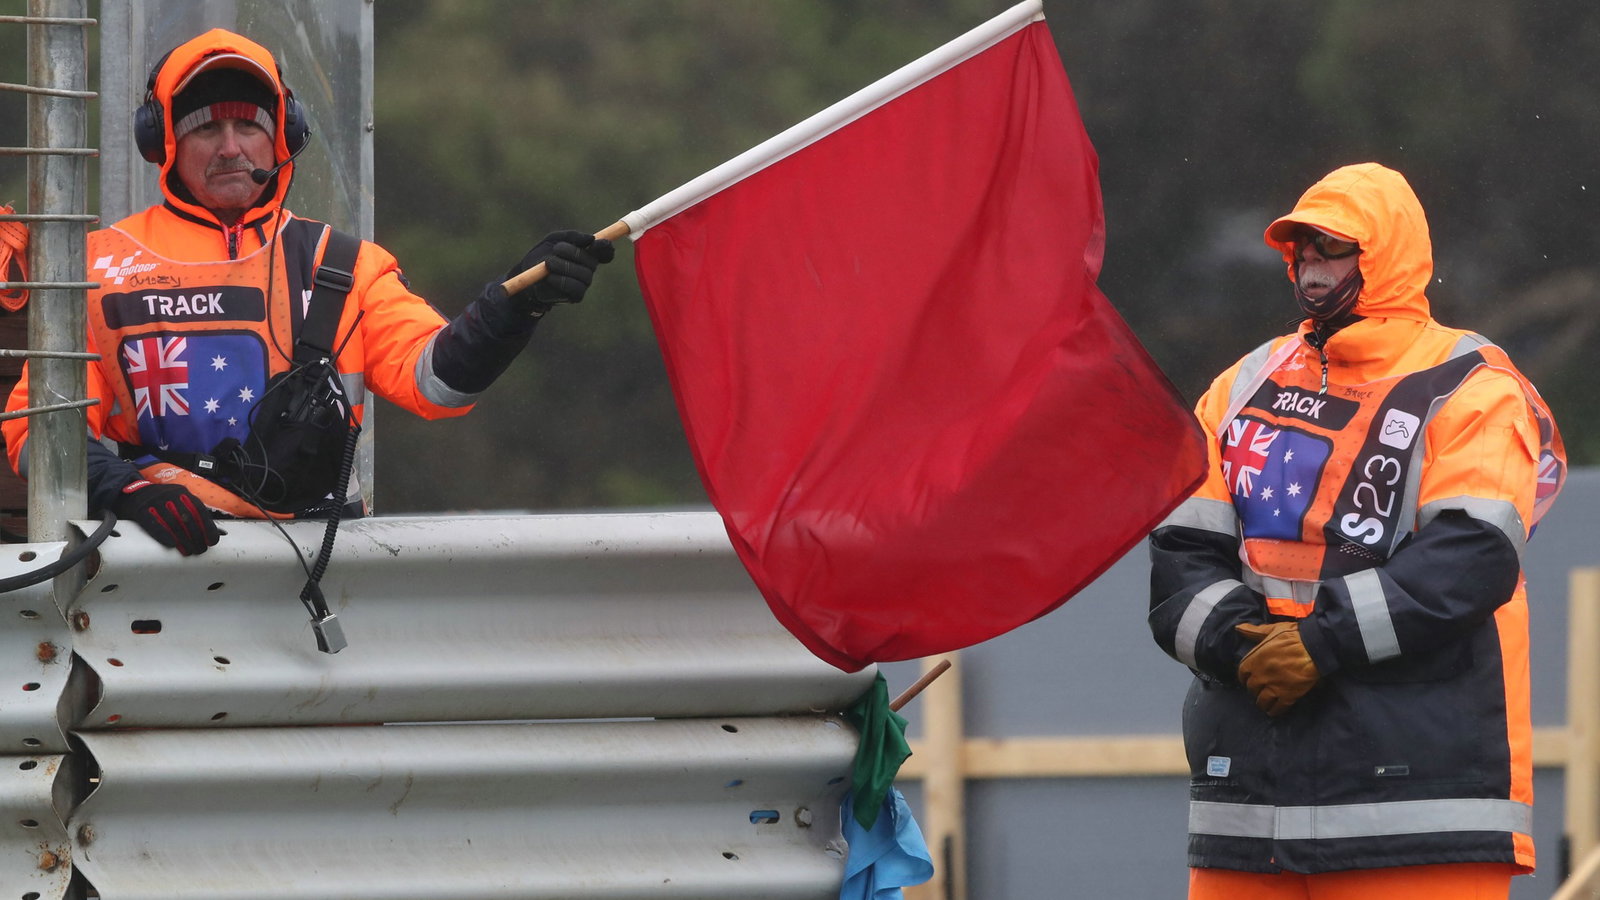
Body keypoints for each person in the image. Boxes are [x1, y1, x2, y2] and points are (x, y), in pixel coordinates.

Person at [2, 28, 613, 556]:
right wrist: (127, 489)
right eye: (205, 127)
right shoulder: (93, 266)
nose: (231, 147)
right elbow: (36, 431)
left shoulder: (347, 264)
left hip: (320, 570)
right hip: (162, 570)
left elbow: (436, 384)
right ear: (162, 142)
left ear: (282, 136)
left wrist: (513, 307)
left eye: (249, 124)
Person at [1147, 163, 1566, 900]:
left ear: (1385, 255)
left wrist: (1319, 644)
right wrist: (1244, 648)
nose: (1311, 263)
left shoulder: (1471, 385)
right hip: (1251, 803)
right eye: (1301, 247)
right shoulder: (1241, 385)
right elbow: (1181, 554)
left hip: (1420, 810)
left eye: (1334, 246)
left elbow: (1471, 558)